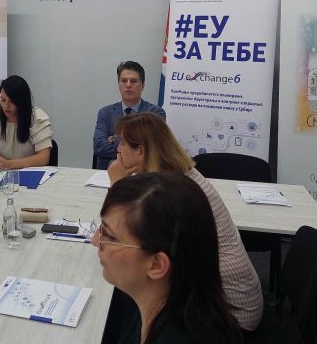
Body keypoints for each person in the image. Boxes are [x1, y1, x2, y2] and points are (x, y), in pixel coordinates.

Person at [108, 112, 263, 332]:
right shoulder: (177, 175)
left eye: (123, 142)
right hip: (219, 295)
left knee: (128, 288)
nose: (118, 149)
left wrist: (116, 184)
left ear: (140, 151)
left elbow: (118, 237)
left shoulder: (169, 192)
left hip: (229, 315)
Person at [93, 171, 244, 344]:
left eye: (109, 236)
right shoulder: (145, 302)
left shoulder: (182, 341)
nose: (95, 241)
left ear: (157, 265)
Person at [93, 61, 166, 170]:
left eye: (133, 81)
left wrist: (114, 139)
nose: (128, 85)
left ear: (143, 86)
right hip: (107, 173)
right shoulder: (105, 113)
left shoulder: (155, 113)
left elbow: (151, 149)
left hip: (143, 173)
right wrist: (134, 149)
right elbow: (99, 147)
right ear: (118, 84)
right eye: (124, 81)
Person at [0, 75, 52, 169]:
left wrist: (9, 164)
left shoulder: (37, 118)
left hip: (29, 172)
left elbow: (43, 157)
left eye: (12, 101)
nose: (6, 106)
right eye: (3, 100)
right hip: (2, 173)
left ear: (22, 101)